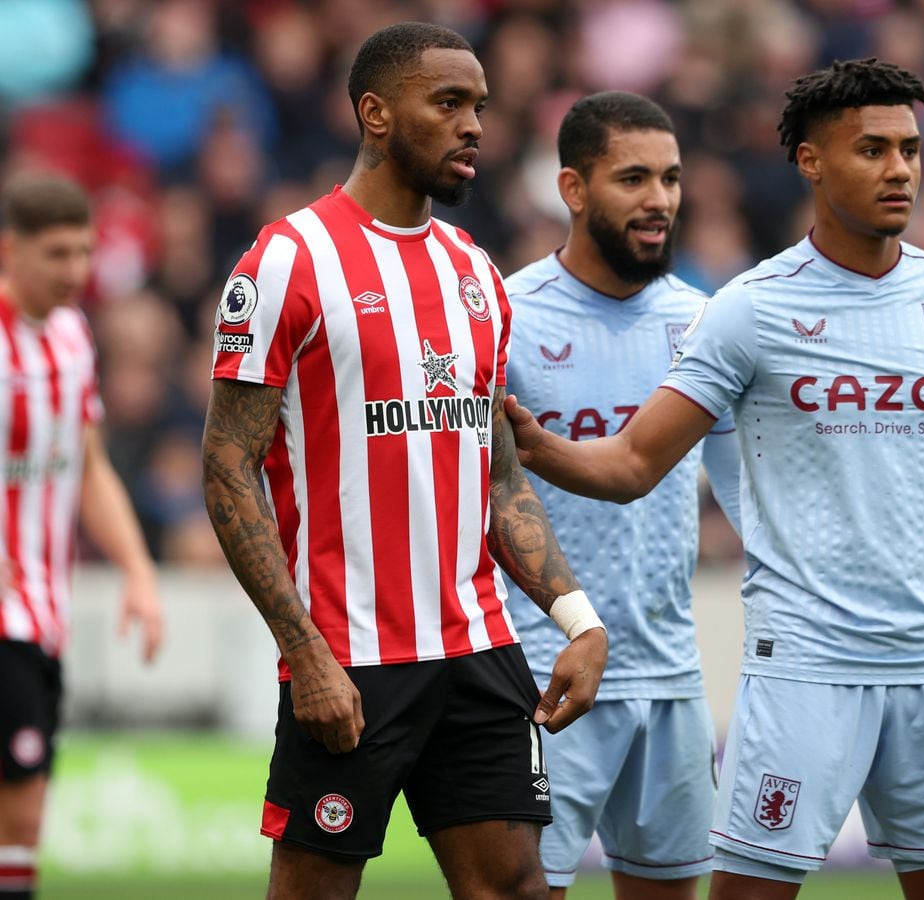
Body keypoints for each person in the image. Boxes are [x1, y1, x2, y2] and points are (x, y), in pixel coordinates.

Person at [504, 58, 924, 900]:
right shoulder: (748, 308)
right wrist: (536, 444)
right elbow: (636, 461)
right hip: (804, 666)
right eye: (872, 150)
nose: (899, 169)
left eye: (910, 150)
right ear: (812, 163)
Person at [200, 22, 608, 900]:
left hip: (479, 648)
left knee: (515, 887)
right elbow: (228, 467)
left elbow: (498, 480)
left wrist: (578, 618)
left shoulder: (477, 274)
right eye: (449, 103)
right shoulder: (287, 261)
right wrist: (303, 652)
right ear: (375, 114)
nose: (474, 127)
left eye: (482, 108)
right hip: (348, 659)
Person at [503, 91, 741, 900]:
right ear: (573, 189)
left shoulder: (703, 321)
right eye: (633, 178)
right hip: (544, 673)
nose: (659, 200)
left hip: (671, 676)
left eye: (671, 179)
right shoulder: (507, 316)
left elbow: (746, 490)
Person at [0, 172, 163, 899]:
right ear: (10, 249)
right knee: (20, 806)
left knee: (23, 816)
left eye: (83, 253)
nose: (75, 272)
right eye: (57, 254)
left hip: (42, 611)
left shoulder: (70, 335)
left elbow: (87, 463)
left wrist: (137, 570)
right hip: (6, 617)